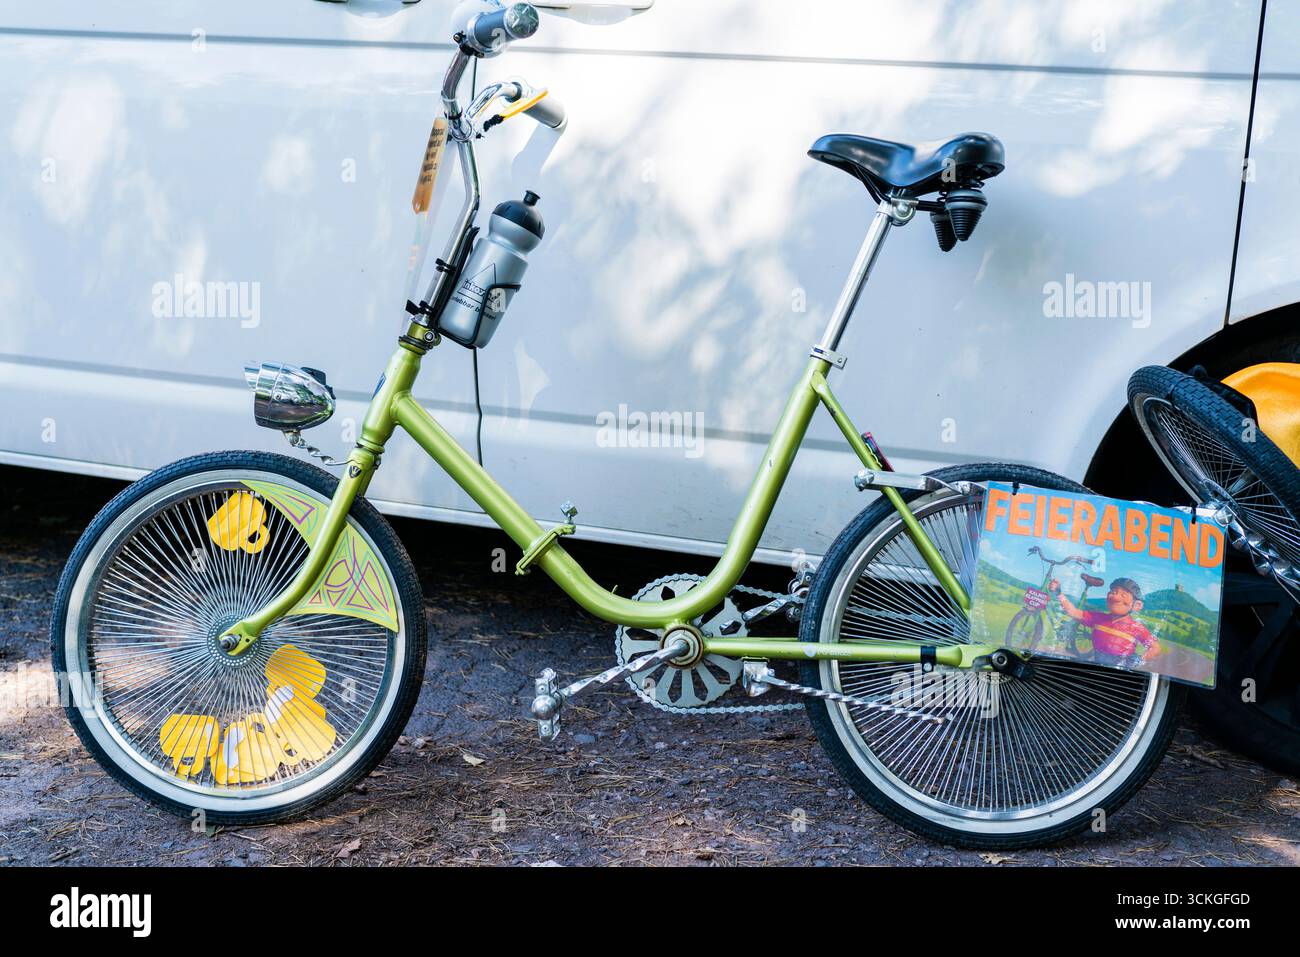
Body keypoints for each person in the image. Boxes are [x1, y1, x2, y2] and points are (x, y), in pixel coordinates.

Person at [1055, 577, 1159, 667]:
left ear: (1137, 605)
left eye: (1123, 595)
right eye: (1113, 592)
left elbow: (1155, 647)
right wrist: (1059, 593)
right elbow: (1074, 612)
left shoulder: (1136, 627)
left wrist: (1139, 661)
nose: (1115, 597)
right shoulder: (1099, 618)